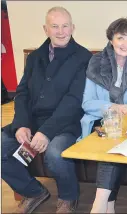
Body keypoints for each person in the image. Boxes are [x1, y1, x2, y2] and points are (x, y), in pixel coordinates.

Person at [1, 6, 92, 213]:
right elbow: (22, 93)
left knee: (55, 153)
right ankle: (33, 192)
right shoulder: (34, 57)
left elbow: (74, 100)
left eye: (65, 26)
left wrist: (46, 132)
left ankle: (69, 198)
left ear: (72, 27)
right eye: (54, 26)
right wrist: (21, 125)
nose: (61, 31)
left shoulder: (84, 58)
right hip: (32, 120)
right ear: (46, 29)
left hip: (66, 123)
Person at [78, 17, 127, 213]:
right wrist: (113, 107)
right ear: (111, 39)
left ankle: (101, 205)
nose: (125, 43)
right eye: (120, 37)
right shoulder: (95, 63)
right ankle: (105, 205)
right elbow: (87, 103)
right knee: (112, 142)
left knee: (116, 144)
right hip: (99, 124)